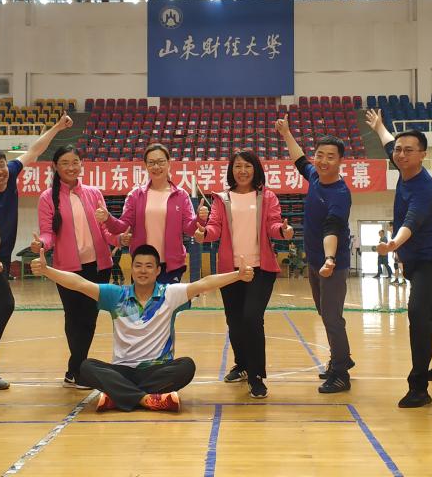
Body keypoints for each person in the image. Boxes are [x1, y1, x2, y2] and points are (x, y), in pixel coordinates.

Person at [31, 244, 253, 413]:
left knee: (186, 366)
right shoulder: (116, 295)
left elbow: (204, 283)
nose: (143, 270)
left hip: (157, 369)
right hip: (122, 369)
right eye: (138, 265)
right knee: (86, 367)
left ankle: (118, 395)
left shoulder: (170, 294)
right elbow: (79, 284)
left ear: (157, 270)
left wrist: (238, 275)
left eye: (149, 266)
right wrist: (47, 270)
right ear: (132, 269)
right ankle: (147, 399)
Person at [0, 114, 73, 390]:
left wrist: (57, 127)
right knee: (6, 305)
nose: (0, 171)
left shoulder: (10, 172)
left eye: (1, 164)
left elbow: (34, 150)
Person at [366, 109, 432, 409]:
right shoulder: (402, 163)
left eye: (408, 150)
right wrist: (379, 127)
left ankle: (418, 387)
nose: (400, 154)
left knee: (418, 313)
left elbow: (411, 222)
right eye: (399, 150)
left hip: (429, 261)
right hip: (414, 261)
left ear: (423, 155)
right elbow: (388, 142)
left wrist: (393, 243)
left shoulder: (425, 189)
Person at [194, 150, 293, 399]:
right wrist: (203, 233)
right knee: (234, 321)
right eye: (238, 166)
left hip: (261, 269)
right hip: (231, 271)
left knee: (252, 318)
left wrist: (283, 231)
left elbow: (273, 225)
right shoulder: (222, 198)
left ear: (255, 169)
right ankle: (242, 364)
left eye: (247, 166)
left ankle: (256, 375)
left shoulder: (267, 197)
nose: (242, 171)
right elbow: (214, 228)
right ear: (231, 170)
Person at [274, 115, 354, 393]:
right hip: (315, 262)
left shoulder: (340, 194)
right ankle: (342, 358)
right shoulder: (315, 178)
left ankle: (341, 373)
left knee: (332, 318)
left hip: (332, 265)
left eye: (330, 157)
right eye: (319, 155)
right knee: (325, 313)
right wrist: (286, 133)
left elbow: (333, 228)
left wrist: (330, 259)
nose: (322, 161)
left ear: (340, 161)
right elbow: (299, 161)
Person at [30, 143, 117, 389]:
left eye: (75, 162)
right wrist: (41, 244)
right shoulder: (47, 198)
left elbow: (105, 229)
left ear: (81, 164)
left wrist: (118, 238)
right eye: (65, 163)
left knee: (89, 318)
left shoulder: (94, 193)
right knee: (74, 317)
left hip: (99, 267)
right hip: (67, 269)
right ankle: (78, 370)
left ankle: (75, 370)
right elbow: (48, 233)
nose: (71, 167)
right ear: (55, 167)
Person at [96, 144, 207, 284]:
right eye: (151, 163)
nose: (156, 167)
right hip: (142, 265)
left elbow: (189, 229)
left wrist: (200, 218)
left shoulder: (181, 195)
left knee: (166, 299)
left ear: (169, 164)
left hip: (171, 266)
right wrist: (108, 218)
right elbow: (121, 227)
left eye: (161, 162)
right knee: (142, 299)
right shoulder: (135, 195)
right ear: (146, 166)